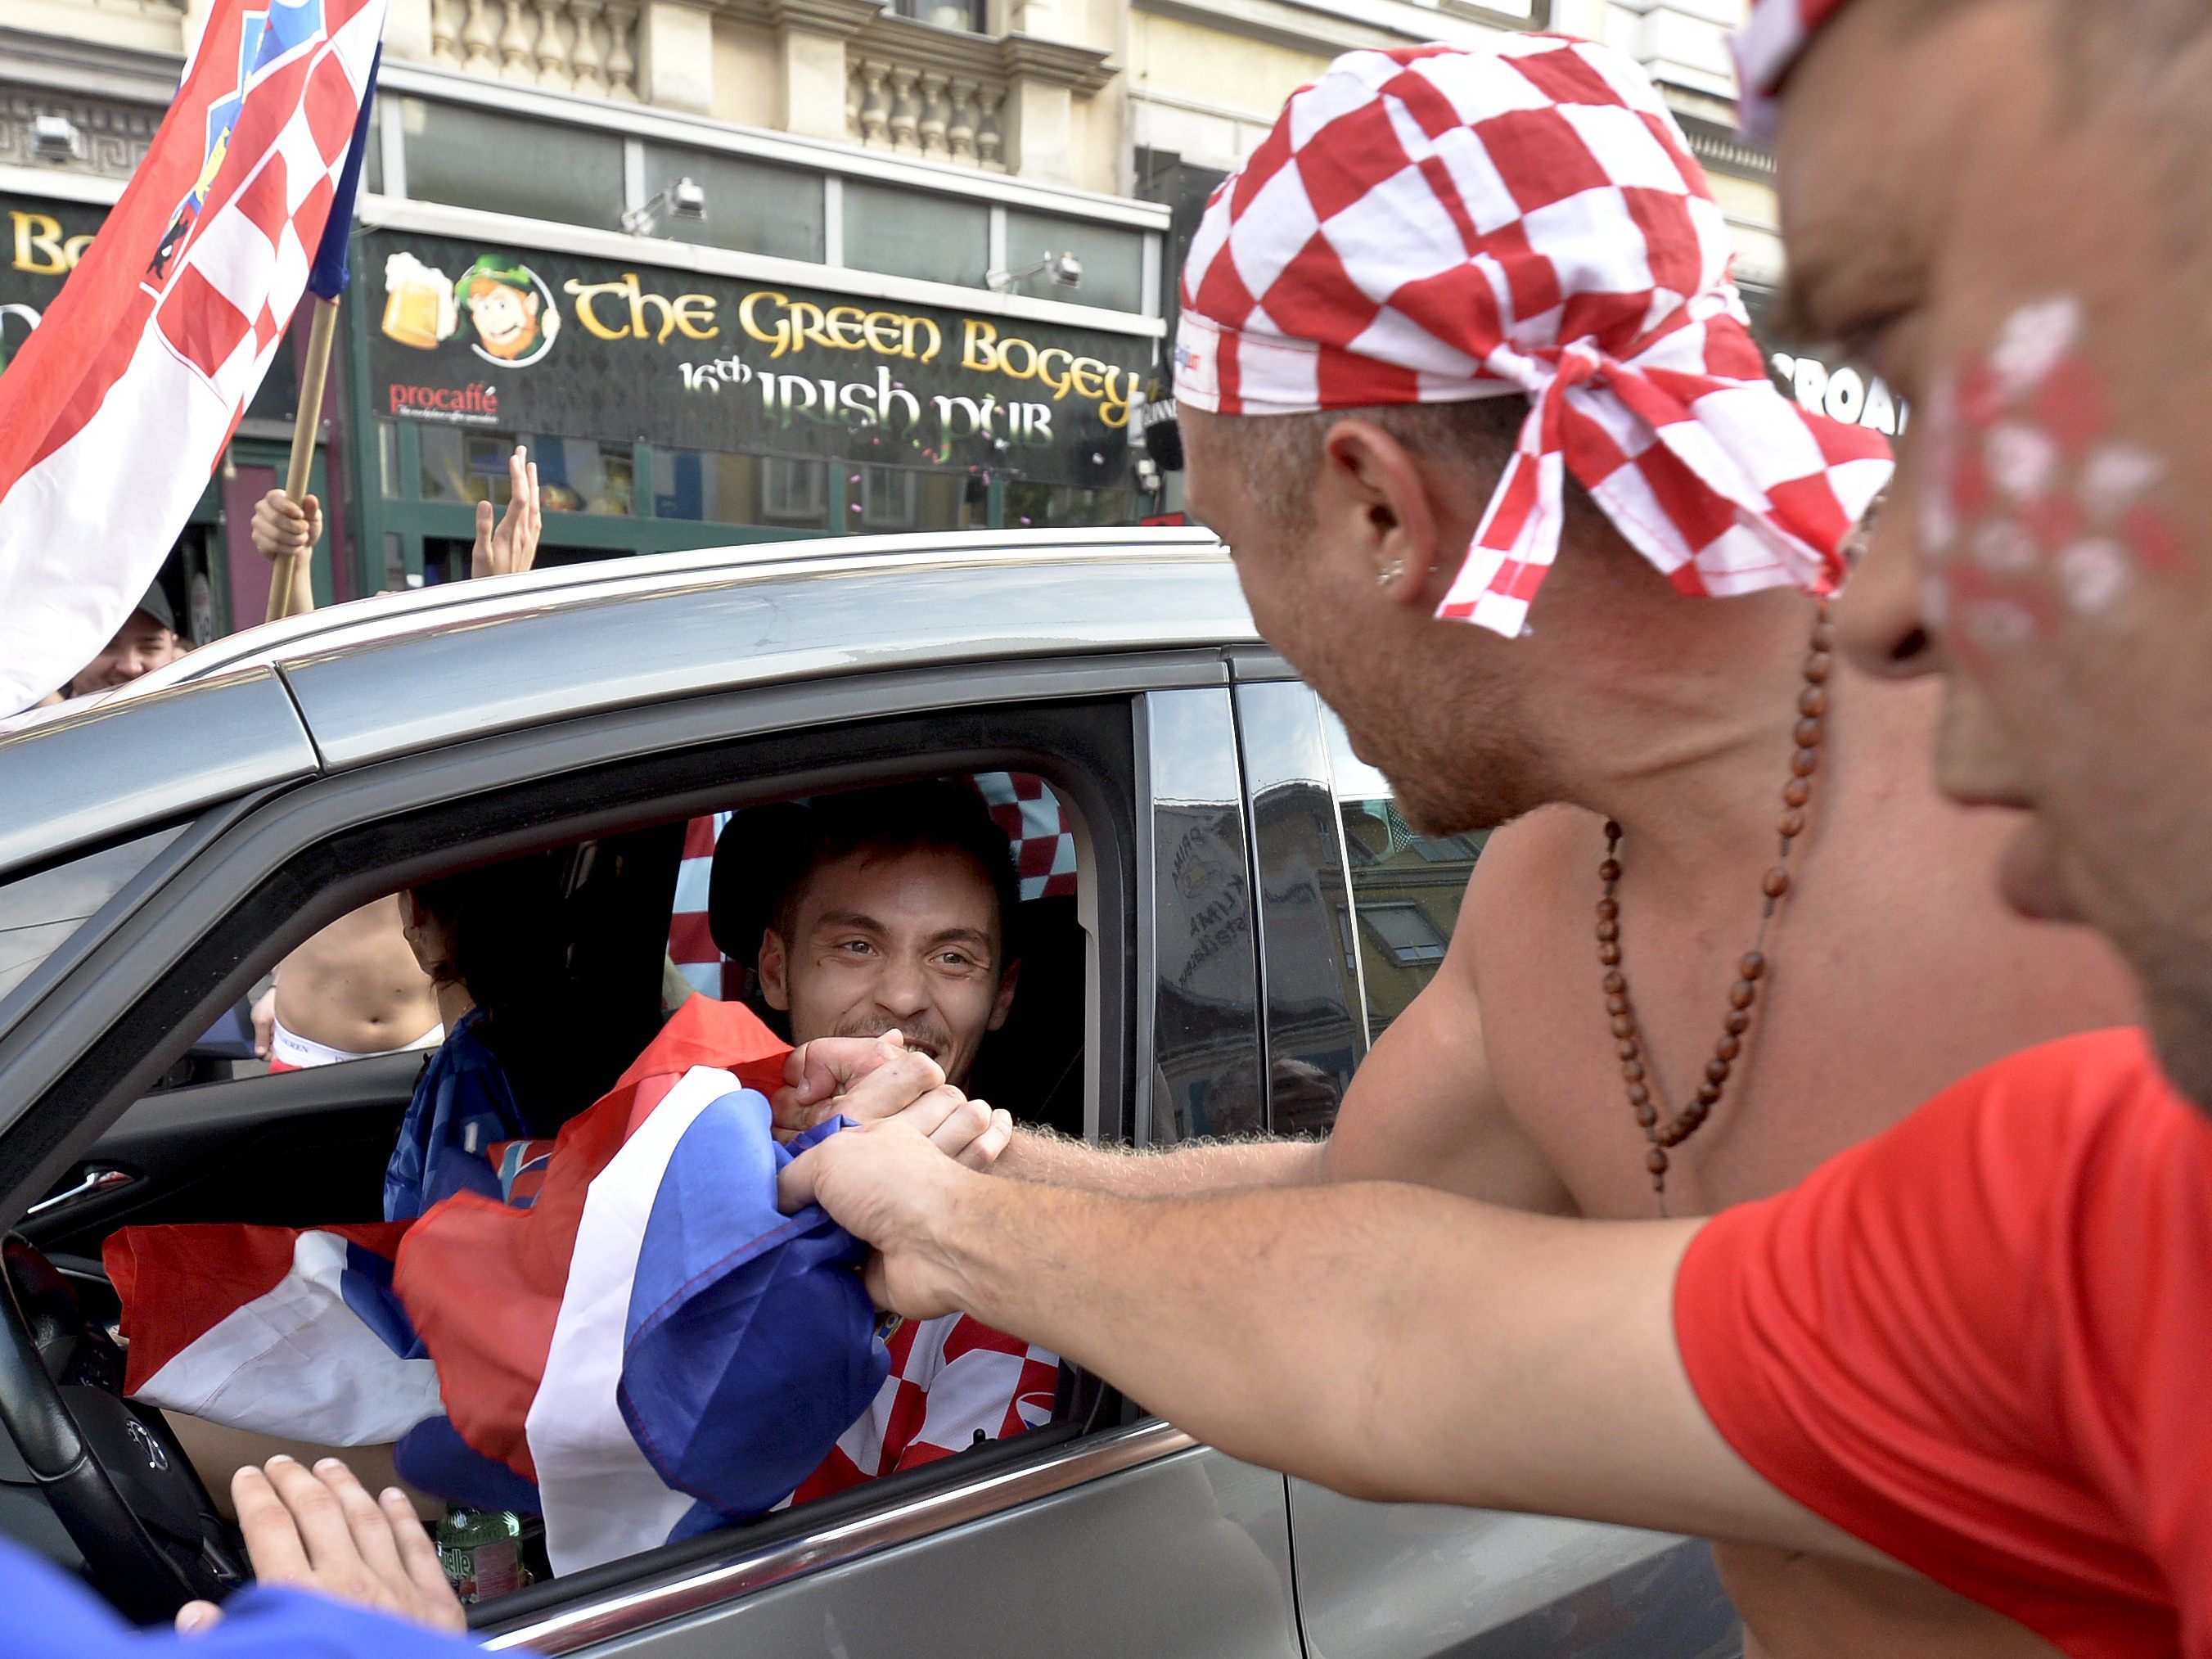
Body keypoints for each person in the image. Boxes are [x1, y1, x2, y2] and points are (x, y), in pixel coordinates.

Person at [776, 18, 2212, 1658]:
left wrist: (969, 1219)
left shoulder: (2100, 843)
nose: (1894, 601)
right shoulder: (1551, 880)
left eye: (1245, 558)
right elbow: (1367, 1229)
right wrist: (979, 1156)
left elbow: (1392, 1322)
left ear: (1374, 505)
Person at [247, 448, 543, 1071]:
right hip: (306, 1054)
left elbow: (499, 705)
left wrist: (498, 601)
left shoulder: (454, 750)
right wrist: (291, 563)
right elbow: (289, 666)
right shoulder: (319, 747)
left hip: (430, 1046)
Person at [67, 580, 185, 695]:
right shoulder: (50, 713)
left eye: (150, 648)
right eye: (106, 646)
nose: (131, 667)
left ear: (173, 648)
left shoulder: (199, 712)